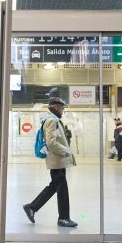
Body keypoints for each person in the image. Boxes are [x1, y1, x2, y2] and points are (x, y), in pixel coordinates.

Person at [23, 97, 77, 228]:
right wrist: (66, 150)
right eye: (62, 107)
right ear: (56, 107)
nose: (63, 110)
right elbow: (51, 143)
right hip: (57, 160)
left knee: (57, 186)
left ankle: (32, 207)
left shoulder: (55, 120)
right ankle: (62, 218)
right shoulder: (52, 121)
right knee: (60, 188)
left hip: (58, 160)